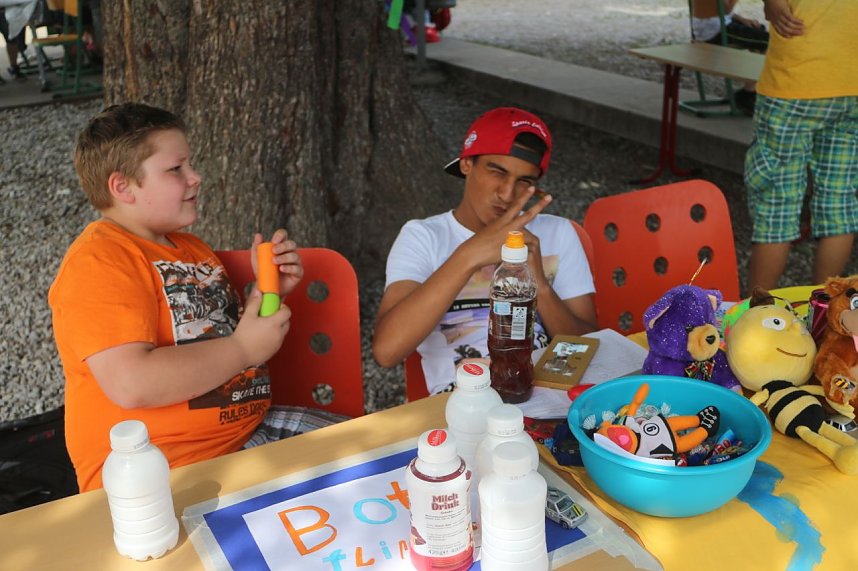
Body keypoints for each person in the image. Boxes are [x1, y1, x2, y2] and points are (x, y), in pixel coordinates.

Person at [49, 103, 345, 493]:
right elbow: (131, 382)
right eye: (176, 169)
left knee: (379, 455)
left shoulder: (191, 248)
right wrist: (242, 349)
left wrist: (268, 291)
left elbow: (210, 339)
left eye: (190, 165)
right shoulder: (100, 259)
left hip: (244, 435)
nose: (195, 177)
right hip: (165, 474)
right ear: (122, 187)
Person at [373, 107, 598, 395]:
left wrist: (539, 285)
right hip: (463, 398)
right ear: (466, 164)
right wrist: (469, 255)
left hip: (545, 388)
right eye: (497, 172)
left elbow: (589, 346)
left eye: (524, 182)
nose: (507, 194)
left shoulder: (557, 232)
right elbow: (387, 351)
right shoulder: (423, 236)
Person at [744, 0, 858, 293]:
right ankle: (822, 315)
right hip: (852, 86)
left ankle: (757, 319)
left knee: (777, 206)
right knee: (839, 202)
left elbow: (775, 11)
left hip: (793, 82)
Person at [690, 0, 770, 115]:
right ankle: (748, 93)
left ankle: (750, 90)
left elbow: (719, 9)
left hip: (715, 24)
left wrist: (742, 20)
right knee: (768, 42)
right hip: (713, 30)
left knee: (759, 30)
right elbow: (724, 8)